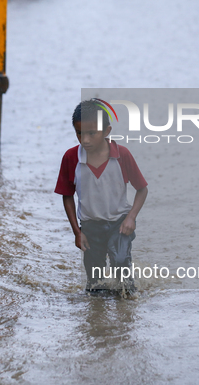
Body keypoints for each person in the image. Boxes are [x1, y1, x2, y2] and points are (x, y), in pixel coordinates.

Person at [54, 99, 148, 296]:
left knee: (122, 265)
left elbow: (142, 189)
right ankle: (97, 322)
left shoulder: (122, 155)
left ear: (107, 131)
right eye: (79, 133)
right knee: (95, 284)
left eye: (91, 133)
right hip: (90, 227)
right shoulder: (71, 158)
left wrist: (131, 217)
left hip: (119, 224)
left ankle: (127, 313)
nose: (85, 139)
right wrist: (77, 232)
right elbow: (67, 196)